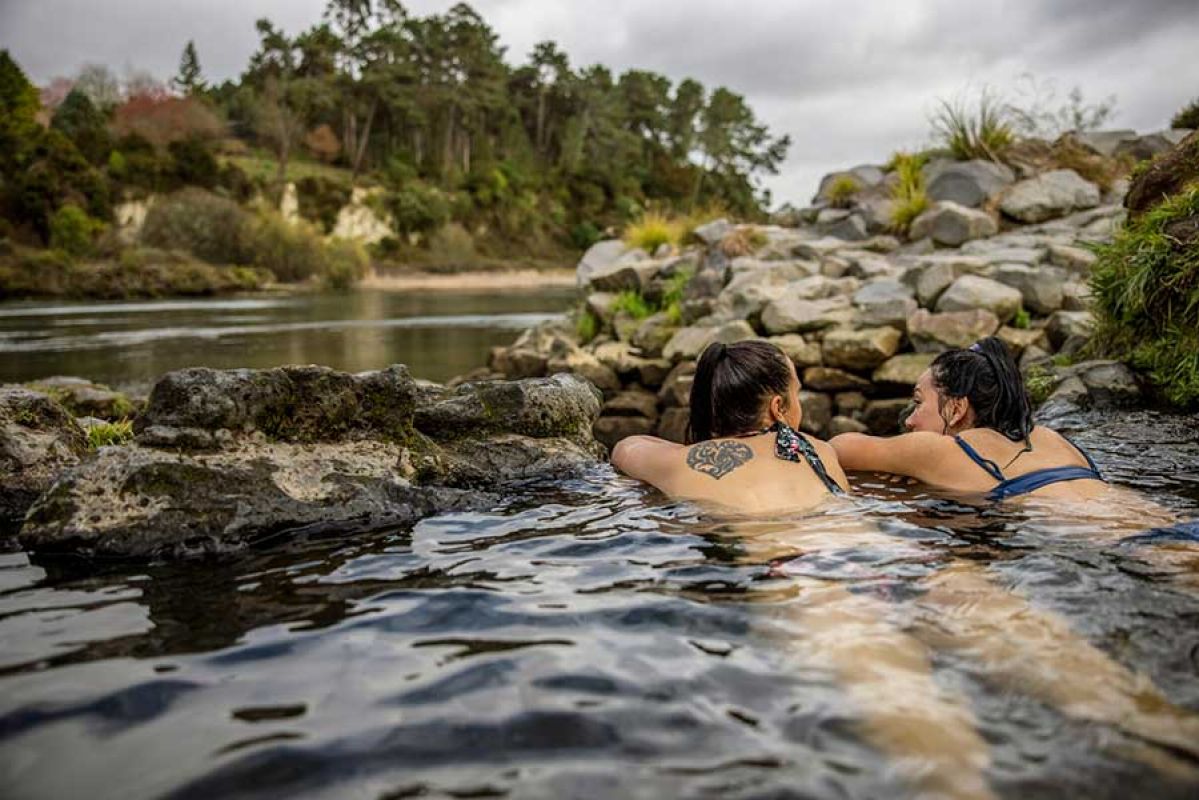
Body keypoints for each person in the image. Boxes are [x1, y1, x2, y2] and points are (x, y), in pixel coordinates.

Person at [830, 336, 1107, 500]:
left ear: (957, 408)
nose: (909, 422)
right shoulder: (1051, 438)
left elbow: (837, 449)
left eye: (918, 403)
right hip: (1140, 516)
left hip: (1077, 535)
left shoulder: (942, 450)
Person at [611, 340, 849, 513]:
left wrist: (681, 452)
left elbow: (626, 447)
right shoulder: (820, 451)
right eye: (797, 393)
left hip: (780, 567)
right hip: (857, 555)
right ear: (778, 408)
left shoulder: (680, 464)